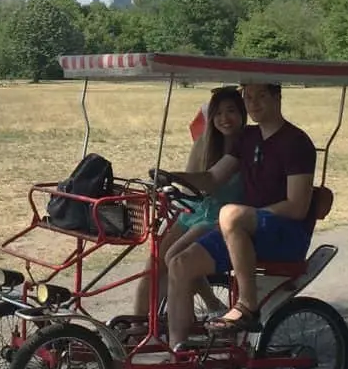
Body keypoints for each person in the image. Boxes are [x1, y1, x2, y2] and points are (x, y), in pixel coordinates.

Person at [156, 82, 317, 347]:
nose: (253, 103)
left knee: (230, 213)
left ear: (278, 97)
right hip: (244, 230)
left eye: (261, 96)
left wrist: (247, 215)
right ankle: (177, 351)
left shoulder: (297, 142)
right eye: (249, 97)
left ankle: (247, 306)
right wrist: (173, 177)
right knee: (179, 263)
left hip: (284, 233)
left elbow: (297, 206)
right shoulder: (248, 138)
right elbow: (212, 178)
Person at [126, 86, 248, 332]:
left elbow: (210, 179)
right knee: (154, 263)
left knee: (175, 258)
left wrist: (178, 179)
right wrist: (169, 183)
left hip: (221, 216)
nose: (225, 119)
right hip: (196, 209)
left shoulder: (247, 145)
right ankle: (136, 329)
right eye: (218, 113)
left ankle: (187, 327)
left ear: (243, 114)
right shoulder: (206, 142)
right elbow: (192, 180)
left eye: (231, 111)